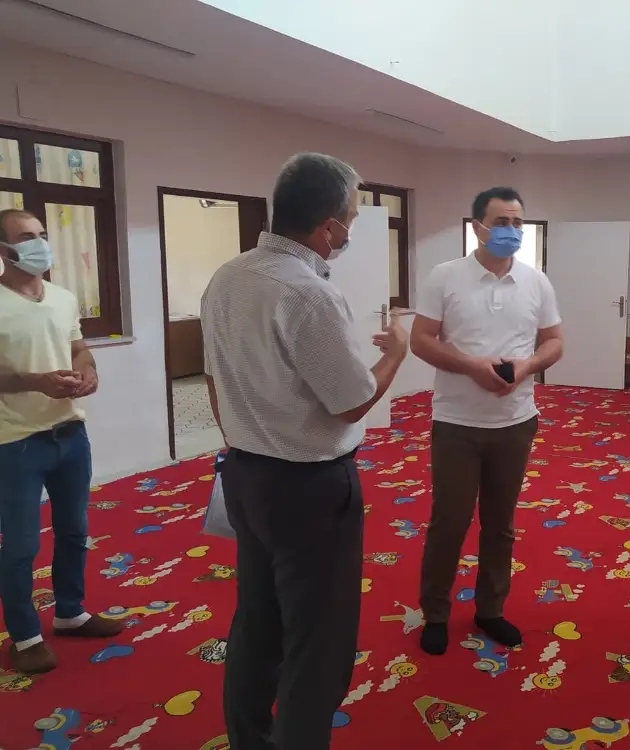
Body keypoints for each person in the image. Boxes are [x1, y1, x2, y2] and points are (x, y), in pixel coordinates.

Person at [201, 153, 409, 750]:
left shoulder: (227, 277)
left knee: (257, 621)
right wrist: (397, 350)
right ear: (328, 227)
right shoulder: (308, 294)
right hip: (309, 488)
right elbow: (352, 402)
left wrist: (247, 438)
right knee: (318, 643)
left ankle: (249, 738)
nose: (350, 231)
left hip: (245, 475)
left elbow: (213, 381)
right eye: (351, 218)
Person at [411, 187, 563, 656]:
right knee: (449, 522)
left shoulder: (536, 282)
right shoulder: (445, 276)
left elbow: (554, 341)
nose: (510, 231)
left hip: (515, 422)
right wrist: (472, 367)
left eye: (517, 223)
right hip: (456, 422)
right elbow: (421, 339)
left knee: (500, 525)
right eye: (500, 222)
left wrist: (527, 366)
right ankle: (436, 613)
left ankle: (490, 609)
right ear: (478, 227)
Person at [0, 208, 124, 675]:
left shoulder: (63, 297)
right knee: (20, 546)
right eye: (25, 237)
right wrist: (35, 381)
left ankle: (70, 613)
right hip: (15, 441)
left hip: (70, 433)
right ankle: (25, 637)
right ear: (3, 249)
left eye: (41, 234)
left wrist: (89, 370)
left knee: (74, 530)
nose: (38, 244)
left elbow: (77, 347)